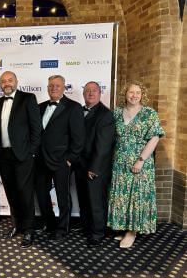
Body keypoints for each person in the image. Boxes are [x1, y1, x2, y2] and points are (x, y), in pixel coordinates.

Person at [108, 81, 164, 248]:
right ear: (125, 94)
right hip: (119, 162)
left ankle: (132, 232)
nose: (134, 95)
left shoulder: (149, 113)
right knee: (122, 196)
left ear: (142, 95)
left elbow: (155, 137)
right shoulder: (116, 113)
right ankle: (125, 228)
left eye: (138, 92)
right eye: (131, 92)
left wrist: (140, 160)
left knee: (136, 196)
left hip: (140, 162)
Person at [0, 71, 42, 248]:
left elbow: (36, 127)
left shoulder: (28, 98)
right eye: (3, 81)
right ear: (0, 84)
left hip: (23, 155)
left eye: (10, 80)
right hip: (3, 155)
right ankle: (17, 225)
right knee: (12, 192)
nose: (7, 83)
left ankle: (29, 230)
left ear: (16, 82)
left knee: (25, 192)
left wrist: (32, 152)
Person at [36, 75, 85, 241]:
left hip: (62, 160)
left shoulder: (74, 107)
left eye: (57, 85)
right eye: (51, 86)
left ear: (64, 88)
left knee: (63, 196)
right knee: (41, 194)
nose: (54, 88)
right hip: (41, 160)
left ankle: (63, 229)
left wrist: (70, 159)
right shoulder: (40, 107)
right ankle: (49, 224)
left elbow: (78, 138)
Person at [73, 81, 115, 247]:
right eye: (87, 90)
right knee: (84, 198)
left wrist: (94, 168)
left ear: (100, 93)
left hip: (95, 167)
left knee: (96, 201)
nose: (90, 93)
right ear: (83, 94)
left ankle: (98, 232)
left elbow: (103, 146)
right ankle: (86, 227)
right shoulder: (79, 111)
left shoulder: (106, 115)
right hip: (80, 165)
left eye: (94, 91)